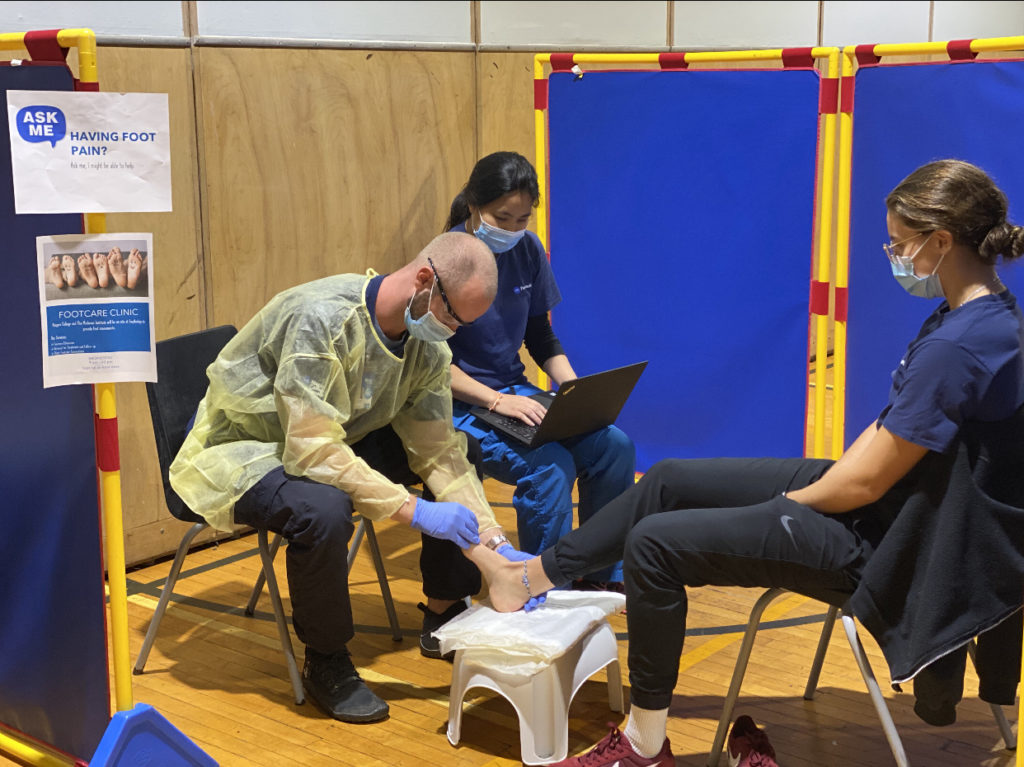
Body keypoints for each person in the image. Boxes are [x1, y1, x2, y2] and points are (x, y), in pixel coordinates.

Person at [483, 159, 1024, 766]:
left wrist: (787, 506)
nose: (894, 256)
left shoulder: (959, 347)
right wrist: (821, 483)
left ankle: (643, 745)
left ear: (942, 241)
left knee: (655, 546)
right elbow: (888, 434)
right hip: (892, 504)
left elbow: (870, 480)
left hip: (894, 543)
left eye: (899, 244)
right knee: (667, 481)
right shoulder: (977, 316)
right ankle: (532, 575)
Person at [170, 232, 534, 724]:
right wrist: (415, 511)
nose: (452, 331)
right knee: (322, 509)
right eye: (452, 316)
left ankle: (445, 608)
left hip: (329, 434)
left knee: (460, 448)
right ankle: (327, 659)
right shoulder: (319, 318)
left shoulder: (425, 346)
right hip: (245, 449)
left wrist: (491, 538)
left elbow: (436, 447)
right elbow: (310, 448)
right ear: (425, 280)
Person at [442, 150, 637, 595]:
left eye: (522, 219)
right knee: (549, 466)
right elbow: (432, 368)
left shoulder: (527, 250)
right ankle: (542, 587)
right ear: (474, 206)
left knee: (614, 447)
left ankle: (600, 575)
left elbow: (541, 337)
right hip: (461, 404)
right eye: (502, 217)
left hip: (516, 394)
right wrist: (495, 400)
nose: (512, 230)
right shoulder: (445, 260)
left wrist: (574, 389)